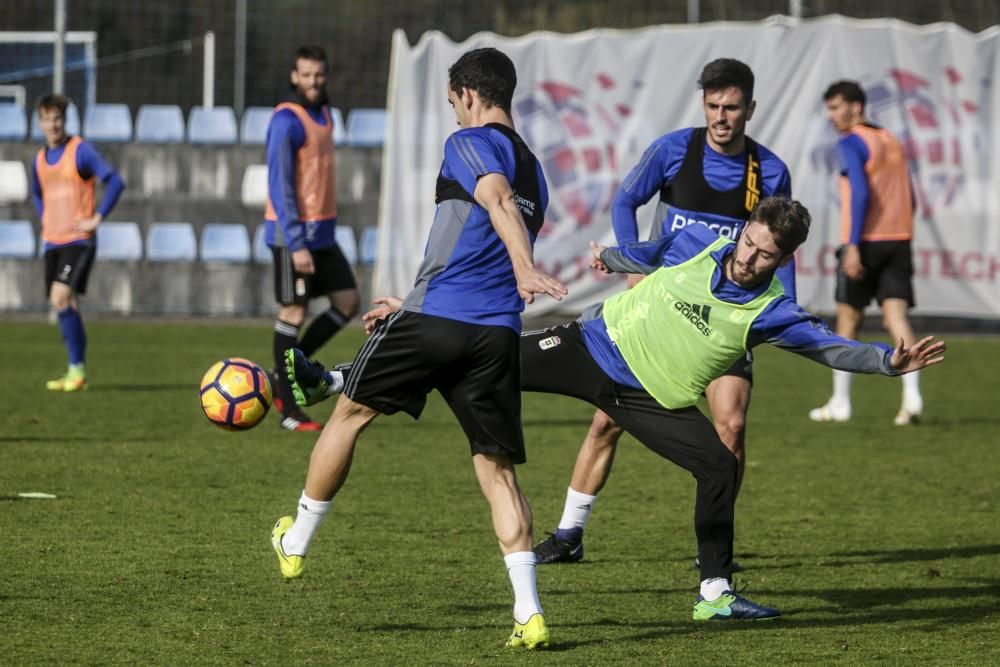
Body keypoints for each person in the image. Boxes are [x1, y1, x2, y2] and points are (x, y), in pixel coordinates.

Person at [286, 196, 946, 621]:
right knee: (483, 353)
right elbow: (651, 253)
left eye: (764, 253)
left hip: (646, 397)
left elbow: (830, 347)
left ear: (783, 259)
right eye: (748, 241)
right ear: (743, 230)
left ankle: (714, 591)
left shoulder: (771, 310)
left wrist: (887, 363)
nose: (748, 256)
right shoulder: (706, 243)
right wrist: (612, 256)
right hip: (588, 345)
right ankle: (339, 374)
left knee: (718, 465)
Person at [270, 47, 567, 649]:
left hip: (441, 321)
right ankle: (529, 612)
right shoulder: (537, 167)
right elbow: (469, 246)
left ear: (469, 96)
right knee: (497, 471)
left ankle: (296, 540)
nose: (454, 111)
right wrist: (408, 301)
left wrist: (525, 266)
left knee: (350, 413)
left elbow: (495, 201)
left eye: (454, 101)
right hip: (494, 334)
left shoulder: (470, 142)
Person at [536, 58, 794, 567]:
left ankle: (715, 552)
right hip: (662, 310)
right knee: (606, 422)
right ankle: (569, 535)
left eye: (732, 107)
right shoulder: (674, 150)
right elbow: (625, 201)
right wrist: (633, 261)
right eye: (713, 106)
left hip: (724, 319)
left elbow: (780, 248)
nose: (722, 116)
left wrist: (780, 312)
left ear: (750, 109)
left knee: (733, 427)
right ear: (704, 105)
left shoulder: (769, 170)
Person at [809, 80, 923, 426]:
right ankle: (912, 396)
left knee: (847, 321)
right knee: (896, 318)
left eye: (835, 107)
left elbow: (859, 193)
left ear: (856, 107)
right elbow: (911, 196)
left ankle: (841, 402)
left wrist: (854, 245)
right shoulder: (890, 139)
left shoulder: (851, 141)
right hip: (899, 238)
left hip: (865, 241)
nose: (831, 116)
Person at [264, 45, 359, 431]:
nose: (314, 81)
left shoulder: (326, 114)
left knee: (348, 302)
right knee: (294, 313)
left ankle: (281, 374)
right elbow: (280, 185)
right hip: (294, 237)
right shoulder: (286, 120)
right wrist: (296, 242)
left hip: (323, 234)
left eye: (319, 74)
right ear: (294, 77)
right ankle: (288, 409)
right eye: (306, 75)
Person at [31, 93, 126, 392]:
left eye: (57, 118)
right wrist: (44, 218)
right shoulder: (39, 159)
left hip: (79, 240)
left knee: (61, 297)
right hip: (53, 241)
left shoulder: (80, 150)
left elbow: (115, 181)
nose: (53, 125)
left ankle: (77, 369)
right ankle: (77, 371)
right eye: (47, 119)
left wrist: (97, 218)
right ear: (40, 122)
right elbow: (36, 192)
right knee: (64, 302)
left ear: (65, 120)